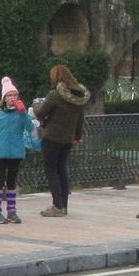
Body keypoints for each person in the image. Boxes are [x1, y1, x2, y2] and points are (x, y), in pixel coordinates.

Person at [35, 62, 90, 217]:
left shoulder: (55, 95)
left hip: (52, 137)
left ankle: (57, 205)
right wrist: (78, 136)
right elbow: (80, 119)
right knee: (62, 170)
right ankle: (63, 205)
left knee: (51, 170)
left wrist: (35, 105)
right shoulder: (79, 96)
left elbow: (40, 113)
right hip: (67, 139)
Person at [0, 77, 29, 225]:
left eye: (14, 95)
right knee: (0, 181)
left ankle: (12, 211)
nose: (12, 98)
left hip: (16, 153)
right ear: (4, 98)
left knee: (12, 182)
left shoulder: (21, 114)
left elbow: (30, 128)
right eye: (9, 95)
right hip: (1, 153)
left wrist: (24, 113)